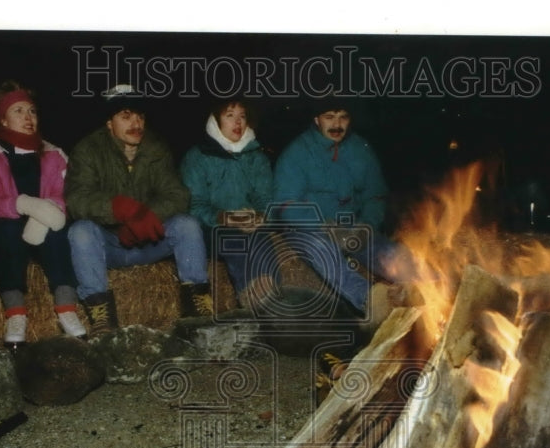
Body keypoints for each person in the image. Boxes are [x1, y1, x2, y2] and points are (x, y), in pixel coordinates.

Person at [65, 85, 212, 332]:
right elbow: (77, 199)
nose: (136, 123)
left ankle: (197, 306)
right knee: (80, 230)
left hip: (148, 239)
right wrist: (119, 209)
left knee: (187, 225)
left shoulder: (155, 147)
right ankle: (101, 312)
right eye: (126, 116)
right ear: (109, 123)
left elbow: (177, 195)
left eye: (140, 116)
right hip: (109, 244)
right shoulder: (87, 150)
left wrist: (147, 215)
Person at [0, 81, 85, 346]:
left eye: (32, 111)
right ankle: (15, 314)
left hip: (43, 228)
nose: (28, 117)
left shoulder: (54, 153)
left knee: (58, 230)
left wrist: (44, 214)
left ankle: (66, 310)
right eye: (18, 111)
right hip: (7, 232)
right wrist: (23, 204)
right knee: (6, 228)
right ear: (3, 119)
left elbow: (68, 194)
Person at [271, 99, 409, 322]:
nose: (337, 124)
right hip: (307, 228)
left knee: (388, 252)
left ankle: (433, 289)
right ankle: (372, 301)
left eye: (343, 117)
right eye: (329, 117)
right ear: (317, 120)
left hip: (352, 224)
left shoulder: (359, 149)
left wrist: (367, 225)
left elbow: (376, 194)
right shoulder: (296, 154)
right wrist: (328, 228)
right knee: (324, 252)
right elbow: (286, 206)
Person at [180, 99, 281, 311]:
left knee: (262, 237)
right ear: (215, 122)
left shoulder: (256, 157)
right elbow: (195, 207)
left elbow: (265, 198)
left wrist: (260, 217)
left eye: (242, 116)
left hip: (249, 226)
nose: (238, 122)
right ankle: (251, 302)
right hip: (211, 232)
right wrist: (226, 218)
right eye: (229, 115)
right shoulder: (197, 157)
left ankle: (276, 300)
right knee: (234, 238)